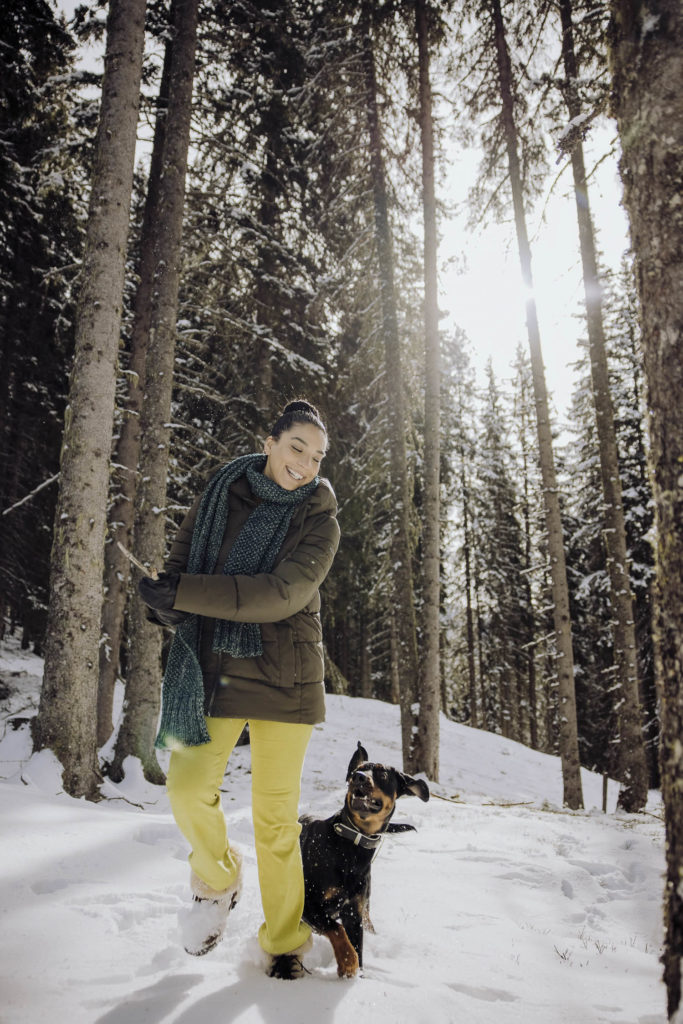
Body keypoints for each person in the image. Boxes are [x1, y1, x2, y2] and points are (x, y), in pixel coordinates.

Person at [138, 400, 340, 980]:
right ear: (270, 441)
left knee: (274, 820)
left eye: (317, 456)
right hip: (217, 666)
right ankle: (219, 878)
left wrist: (185, 593)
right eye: (296, 447)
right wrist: (163, 601)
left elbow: (278, 595)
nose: (304, 464)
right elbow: (180, 570)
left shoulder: (319, 519)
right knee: (186, 787)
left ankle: (284, 944)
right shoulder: (222, 492)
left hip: (287, 677)